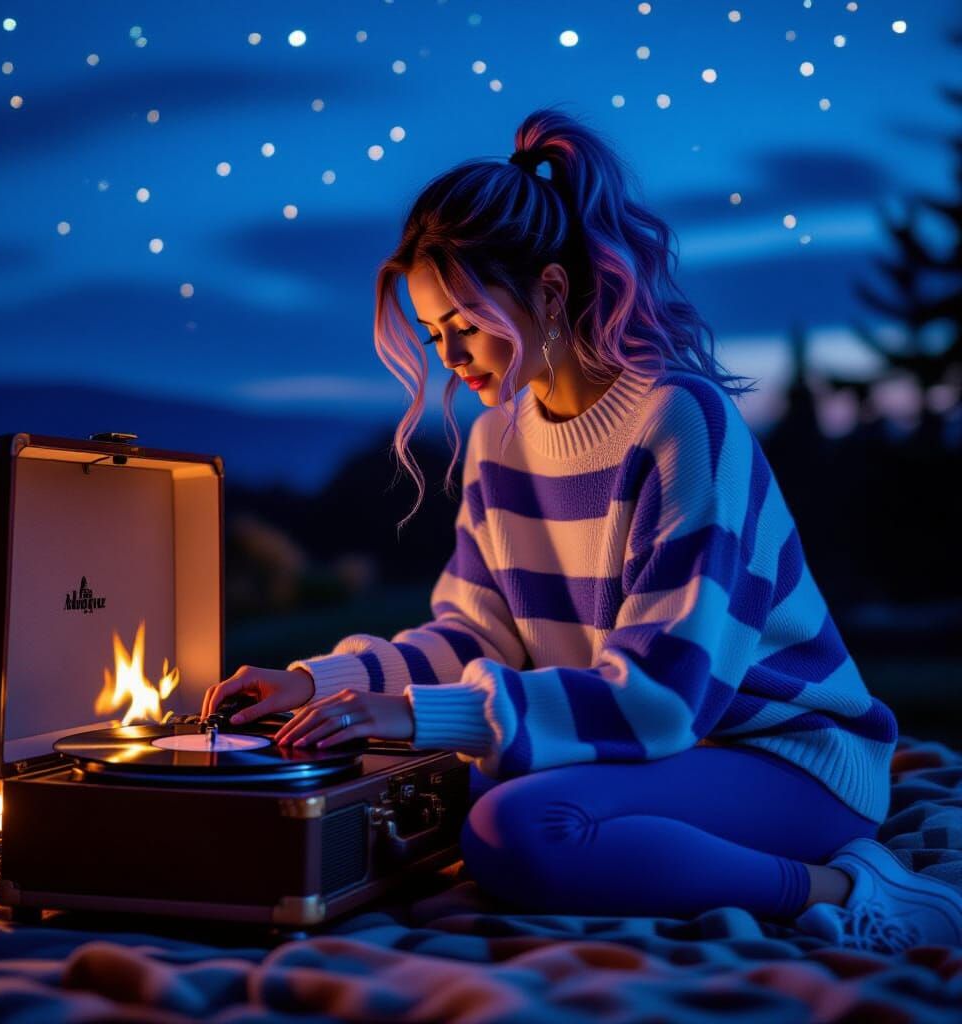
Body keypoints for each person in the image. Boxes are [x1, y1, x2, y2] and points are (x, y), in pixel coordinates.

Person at [202, 106, 962, 953]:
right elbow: (473, 630)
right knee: (459, 801)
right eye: (433, 335)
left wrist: (409, 714)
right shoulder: (499, 440)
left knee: (517, 831)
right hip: (653, 750)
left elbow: (665, 698)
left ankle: (849, 886)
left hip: (786, 756)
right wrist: (318, 684)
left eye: (464, 326)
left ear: (552, 293)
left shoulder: (683, 424)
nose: (448, 358)